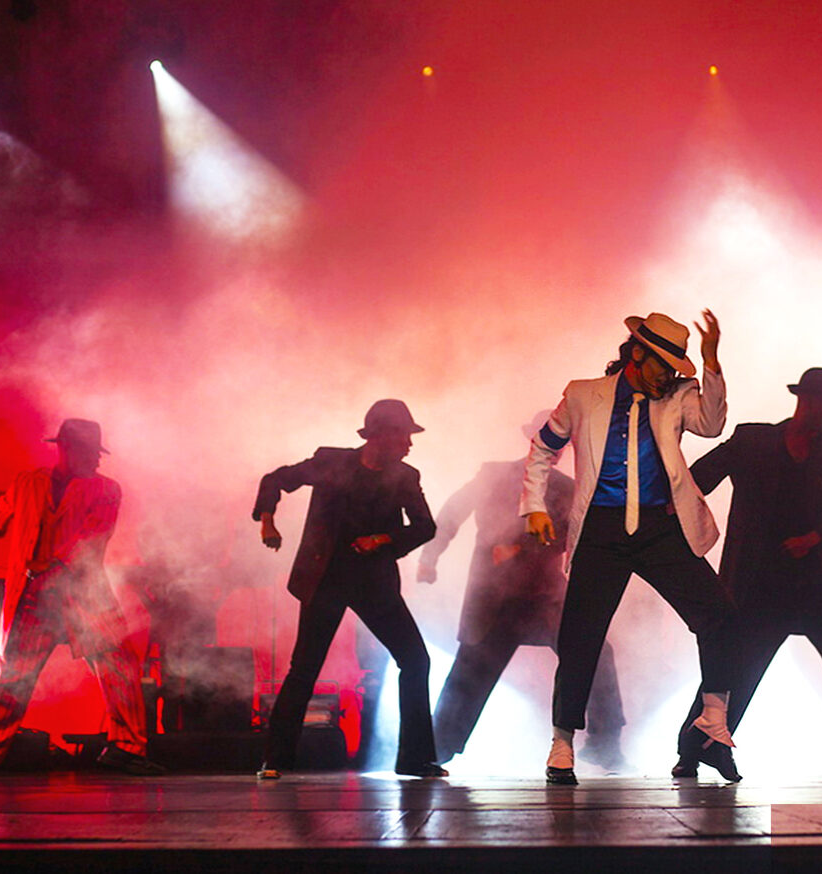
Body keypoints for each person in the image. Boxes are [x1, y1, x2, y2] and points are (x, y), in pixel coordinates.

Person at [523, 311, 736, 785]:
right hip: (601, 529)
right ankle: (562, 742)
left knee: (719, 614)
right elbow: (543, 447)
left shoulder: (678, 396)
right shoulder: (583, 395)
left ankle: (713, 721)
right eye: (663, 365)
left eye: (676, 368)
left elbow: (712, 424)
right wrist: (534, 505)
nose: (669, 376)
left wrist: (711, 362)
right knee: (580, 636)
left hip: (661, 527)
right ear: (637, 353)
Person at [671, 368, 822, 780]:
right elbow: (697, 480)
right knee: (733, 667)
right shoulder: (752, 441)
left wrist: (818, 536)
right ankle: (694, 752)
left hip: (818, 582)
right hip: (757, 582)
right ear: (809, 402)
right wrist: (675, 521)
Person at [0, 419, 163, 776]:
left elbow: (92, 538)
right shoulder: (27, 483)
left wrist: (53, 567)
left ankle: (126, 748)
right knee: (12, 673)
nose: (97, 459)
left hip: (83, 596)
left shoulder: (106, 489)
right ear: (67, 449)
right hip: (35, 598)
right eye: (90, 452)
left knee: (119, 664)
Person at [419, 414, 627, 770]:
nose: (556, 449)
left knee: (596, 652)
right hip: (494, 597)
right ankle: (434, 750)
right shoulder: (494, 475)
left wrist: (522, 548)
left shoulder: (568, 488)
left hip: (545, 595)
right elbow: (453, 512)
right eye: (550, 440)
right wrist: (430, 556)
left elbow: (577, 538)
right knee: (470, 671)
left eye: (561, 442)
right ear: (533, 440)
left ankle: (604, 744)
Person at [254, 399, 443, 779]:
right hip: (326, 579)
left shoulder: (405, 476)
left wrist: (383, 539)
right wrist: (268, 521)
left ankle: (415, 759)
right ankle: (275, 760)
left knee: (415, 660)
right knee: (304, 667)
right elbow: (275, 480)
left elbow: (426, 527)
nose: (409, 444)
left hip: (374, 583)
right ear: (380, 435)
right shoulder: (331, 462)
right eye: (403, 436)